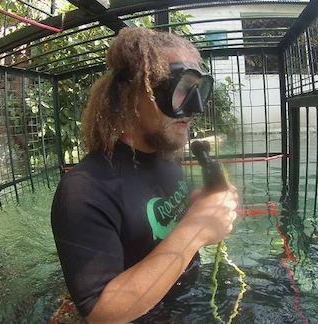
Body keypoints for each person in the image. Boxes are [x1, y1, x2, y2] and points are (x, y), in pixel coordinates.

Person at [51, 27, 239, 323]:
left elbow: (152, 226)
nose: (195, 108)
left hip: (190, 302)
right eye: (181, 89)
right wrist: (196, 229)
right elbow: (102, 314)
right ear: (133, 93)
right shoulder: (84, 189)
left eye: (198, 90)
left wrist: (202, 209)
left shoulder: (164, 158)